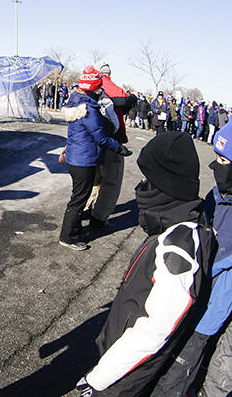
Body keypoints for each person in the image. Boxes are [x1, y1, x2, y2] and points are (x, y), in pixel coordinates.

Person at [75, 132, 217, 397]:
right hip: (119, 355)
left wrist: (99, 379)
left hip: (124, 374)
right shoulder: (170, 228)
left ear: (165, 184)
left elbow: (155, 330)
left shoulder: (179, 243)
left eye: (146, 180)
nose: (140, 187)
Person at [150, 122, 232, 397]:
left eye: (223, 160)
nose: (216, 166)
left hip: (211, 308)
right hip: (197, 296)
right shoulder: (221, 193)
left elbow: (216, 255)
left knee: (181, 370)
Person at [59, 66, 130, 251]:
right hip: (83, 160)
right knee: (78, 200)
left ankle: (74, 230)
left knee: (79, 197)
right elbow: (101, 137)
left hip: (78, 157)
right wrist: (120, 148)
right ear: (91, 88)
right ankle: (68, 236)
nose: (101, 91)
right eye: (99, 88)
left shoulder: (76, 101)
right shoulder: (89, 109)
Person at [83, 63, 136, 232]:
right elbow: (124, 98)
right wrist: (132, 98)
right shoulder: (106, 84)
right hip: (111, 141)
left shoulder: (84, 89)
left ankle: (85, 208)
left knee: (95, 178)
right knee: (111, 181)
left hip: (91, 141)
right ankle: (99, 218)